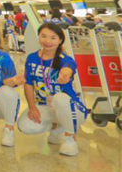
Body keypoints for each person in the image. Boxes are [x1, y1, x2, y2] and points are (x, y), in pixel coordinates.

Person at [18, 23, 88, 156]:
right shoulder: (32, 58)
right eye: (43, 36)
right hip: (45, 106)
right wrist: (32, 107)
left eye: (53, 38)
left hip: (71, 109)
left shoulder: (66, 60)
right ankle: (56, 126)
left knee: (59, 98)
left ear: (60, 40)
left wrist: (64, 75)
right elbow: (28, 84)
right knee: (25, 126)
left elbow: (67, 69)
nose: (47, 41)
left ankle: (70, 137)